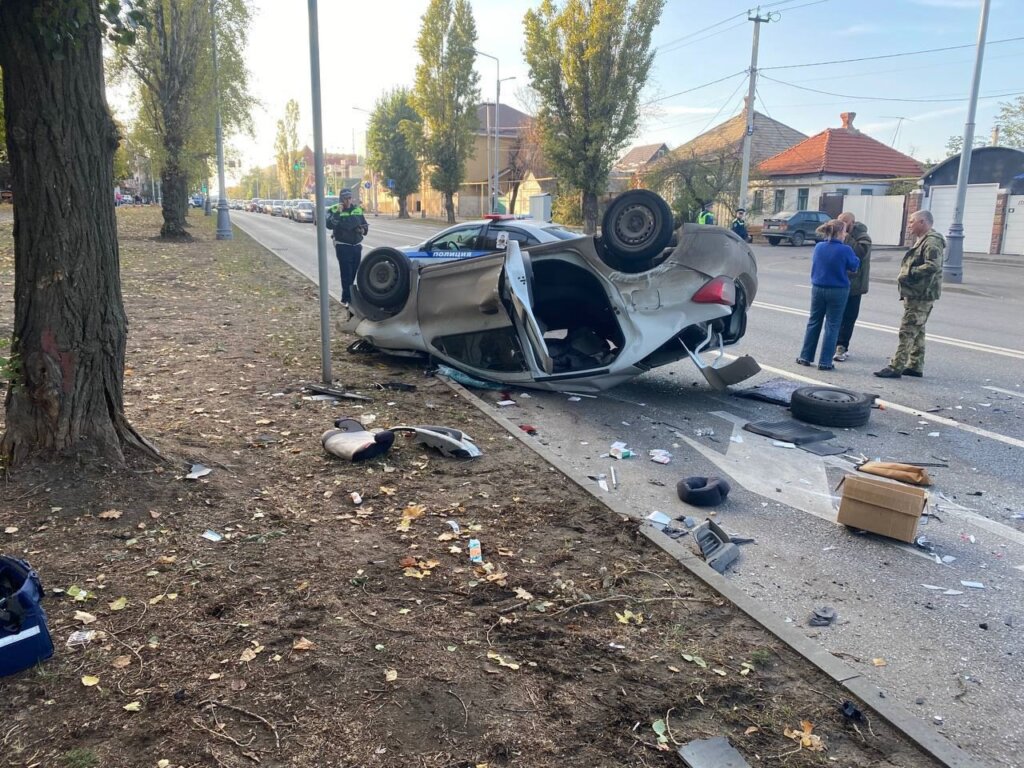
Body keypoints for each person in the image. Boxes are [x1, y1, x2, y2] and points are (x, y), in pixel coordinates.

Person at [874, 210, 945, 379]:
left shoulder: (932, 242)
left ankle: (896, 366)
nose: (909, 225)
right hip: (917, 292)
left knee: (907, 330)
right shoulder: (924, 240)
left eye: (912, 221)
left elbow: (933, 265)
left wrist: (910, 272)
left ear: (923, 222)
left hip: (922, 294)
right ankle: (915, 365)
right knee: (918, 330)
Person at [796, 219, 859, 370]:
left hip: (818, 287)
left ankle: (805, 356)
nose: (845, 235)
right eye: (844, 232)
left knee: (814, 321)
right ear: (839, 233)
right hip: (838, 290)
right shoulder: (846, 250)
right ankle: (825, 362)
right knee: (832, 325)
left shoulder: (819, 247)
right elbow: (854, 266)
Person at [833, 212, 872, 362]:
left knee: (848, 317)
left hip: (855, 285)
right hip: (839, 282)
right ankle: (835, 344)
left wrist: (846, 236)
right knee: (836, 317)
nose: (840, 224)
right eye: (839, 221)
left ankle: (842, 346)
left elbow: (858, 253)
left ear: (852, 223)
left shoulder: (863, 237)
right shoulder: (838, 234)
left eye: (843, 222)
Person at [327, 188, 369, 305]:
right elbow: (329, 225)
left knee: (354, 272)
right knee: (346, 273)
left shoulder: (357, 210)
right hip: (343, 246)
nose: (348, 201)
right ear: (341, 199)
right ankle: (347, 298)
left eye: (349, 198)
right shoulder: (335, 209)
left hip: (356, 245)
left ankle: (348, 296)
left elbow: (365, 225)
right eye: (345, 198)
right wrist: (337, 213)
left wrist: (362, 229)